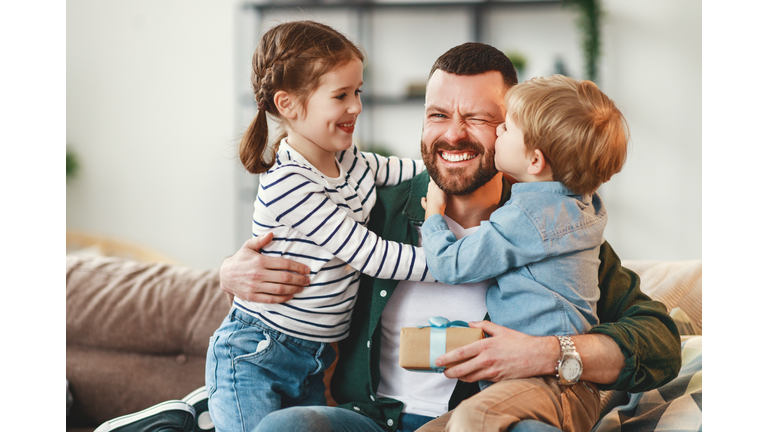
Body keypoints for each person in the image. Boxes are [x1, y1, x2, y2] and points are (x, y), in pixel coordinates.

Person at [94, 41, 681, 432]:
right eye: (436, 114)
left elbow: (658, 339)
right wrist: (230, 271)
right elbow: (289, 240)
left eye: (478, 118)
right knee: (286, 428)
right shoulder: (374, 206)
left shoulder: (553, 232)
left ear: (518, 135)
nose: (454, 134)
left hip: (482, 417)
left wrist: (548, 353)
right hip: (371, 420)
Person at [205, 20, 435, 432]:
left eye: (358, 92)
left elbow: (419, 171)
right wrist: (451, 263)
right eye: (341, 96)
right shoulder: (289, 183)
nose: (356, 107)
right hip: (257, 353)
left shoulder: (352, 161)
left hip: (314, 358)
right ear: (289, 104)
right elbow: (368, 253)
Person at [417, 74, 629, 431]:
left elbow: (450, 265)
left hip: (553, 386)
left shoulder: (530, 217)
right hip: (548, 388)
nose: (498, 132)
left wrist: (434, 216)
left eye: (506, 128)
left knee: (474, 417)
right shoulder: (577, 207)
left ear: (534, 161)